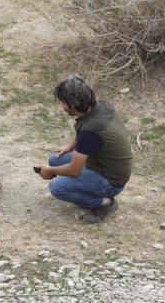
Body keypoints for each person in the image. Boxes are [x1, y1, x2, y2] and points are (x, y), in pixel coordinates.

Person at [35, 75, 132, 224]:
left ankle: (105, 202)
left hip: (111, 180)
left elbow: (73, 169)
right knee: (55, 159)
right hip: (102, 163)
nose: (62, 106)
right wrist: (69, 146)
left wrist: (50, 171)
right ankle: (85, 185)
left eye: (62, 102)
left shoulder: (90, 132)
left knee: (57, 187)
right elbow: (84, 128)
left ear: (73, 104)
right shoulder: (102, 107)